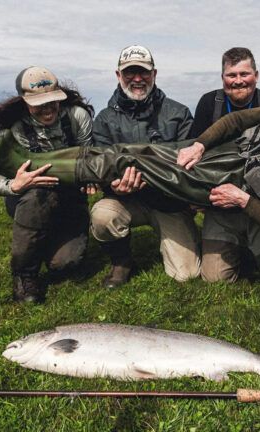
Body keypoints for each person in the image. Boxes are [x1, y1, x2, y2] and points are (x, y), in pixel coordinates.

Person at [0, 66, 260, 251]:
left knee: (126, 160)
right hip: (218, 156)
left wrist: (244, 200)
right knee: (129, 154)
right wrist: (200, 145)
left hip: (231, 185)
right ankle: (31, 162)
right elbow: (236, 119)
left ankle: (27, 162)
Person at [0, 66, 94, 303]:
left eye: (52, 100)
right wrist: (14, 186)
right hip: (31, 198)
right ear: (23, 100)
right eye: (39, 103)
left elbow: (90, 156)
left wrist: (90, 178)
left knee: (65, 264)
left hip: (71, 200)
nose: (47, 108)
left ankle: (46, 243)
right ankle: (24, 276)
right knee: (38, 195)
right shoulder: (10, 129)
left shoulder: (77, 117)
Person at [90, 45, 199, 288]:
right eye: (130, 72)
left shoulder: (179, 113)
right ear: (118, 75)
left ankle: (181, 235)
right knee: (102, 216)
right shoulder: (104, 119)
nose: (137, 79)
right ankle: (122, 262)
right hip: (125, 200)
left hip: (169, 203)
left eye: (144, 72)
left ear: (154, 74)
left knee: (187, 275)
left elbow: (191, 166)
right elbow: (99, 165)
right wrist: (114, 186)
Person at [190, 47, 260, 283]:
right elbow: (193, 152)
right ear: (222, 78)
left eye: (245, 74)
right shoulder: (208, 103)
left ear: (257, 75)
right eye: (231, 75)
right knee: (214, 280)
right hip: (221, 207)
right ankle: (233, 245)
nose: (238, 81)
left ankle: (255, 246)